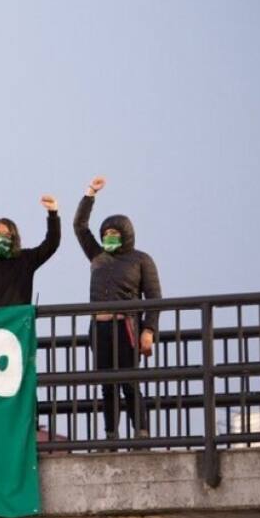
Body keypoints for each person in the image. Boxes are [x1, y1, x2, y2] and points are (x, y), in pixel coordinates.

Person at [74, 175, 162, 440]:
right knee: (106, 385)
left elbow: (155, 297)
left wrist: (149, 330)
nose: (109, 237)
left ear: (126, 235)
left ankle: (141, 432)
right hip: (99, 327)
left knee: (129, 382)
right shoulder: (97, 256)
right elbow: (79, 226)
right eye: (106, 234)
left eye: (114, 234)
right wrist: (90, 194)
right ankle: (111, 434)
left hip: (127, 327)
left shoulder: (140, 260)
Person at [0, 195, 61, 309]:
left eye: (5, 234)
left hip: (15, 325)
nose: (0, 237)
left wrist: (53, 213)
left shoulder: (24, 260)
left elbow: (51, 243)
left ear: (13, 237)